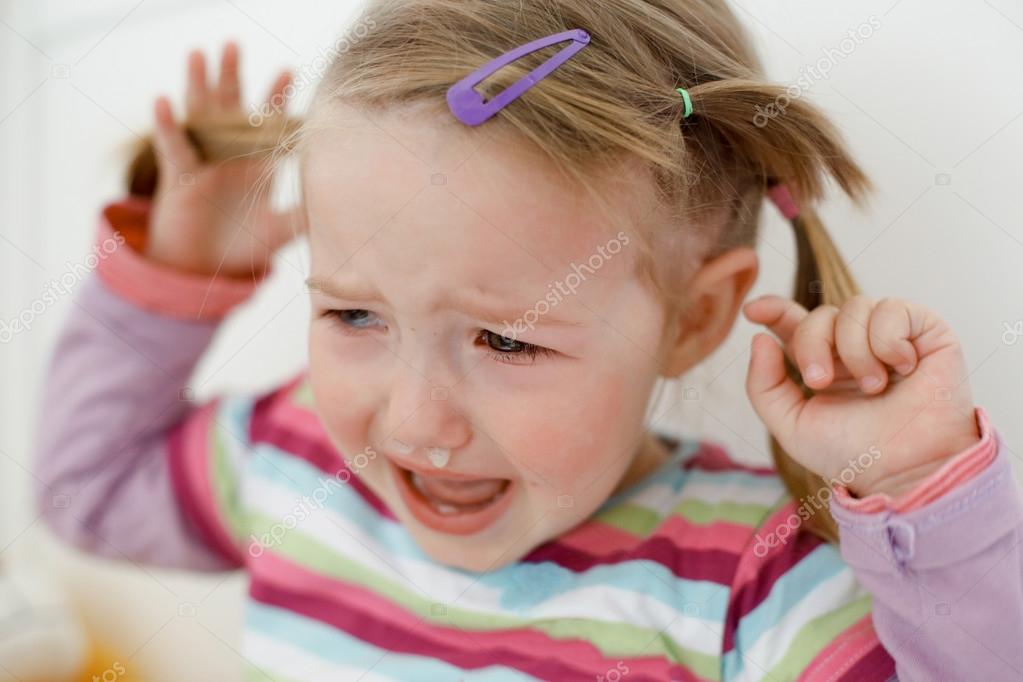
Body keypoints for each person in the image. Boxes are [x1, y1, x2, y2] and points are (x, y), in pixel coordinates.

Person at [33, 1, 1023, 679]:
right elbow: (89, 491)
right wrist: (171, 285)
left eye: (507, 342)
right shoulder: (297, 464)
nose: (414, 423)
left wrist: (922, 486)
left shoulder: (751, 579)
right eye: (354, 315)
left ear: (696, 316)